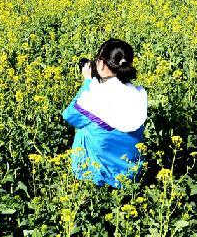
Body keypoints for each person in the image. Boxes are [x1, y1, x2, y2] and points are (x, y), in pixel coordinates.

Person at [62, 39, 147, 187]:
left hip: (96, 174)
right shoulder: (138, 93)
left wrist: (87, 82)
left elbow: (70, 115)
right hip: (129, 174)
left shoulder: (94, 95)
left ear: (101, 64)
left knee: (84, 129)